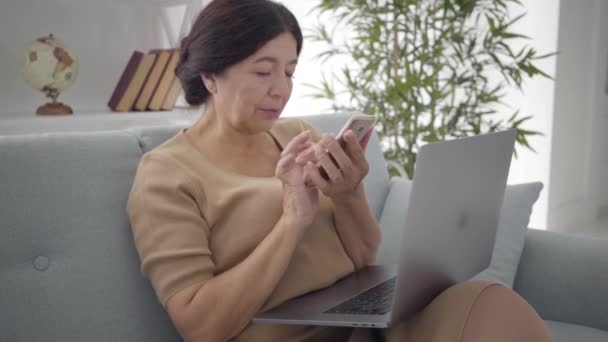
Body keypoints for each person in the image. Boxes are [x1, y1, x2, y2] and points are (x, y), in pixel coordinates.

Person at [126, 0, 553, 341]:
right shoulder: (165, 175)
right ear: (211, 76)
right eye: (263, 71)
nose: (281, 89)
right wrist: (292, 222)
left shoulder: (298, 135)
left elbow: (365, 256)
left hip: (363, 325)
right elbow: (201, 327)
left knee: (487, 301)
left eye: (290, 71)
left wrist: (349, 193)